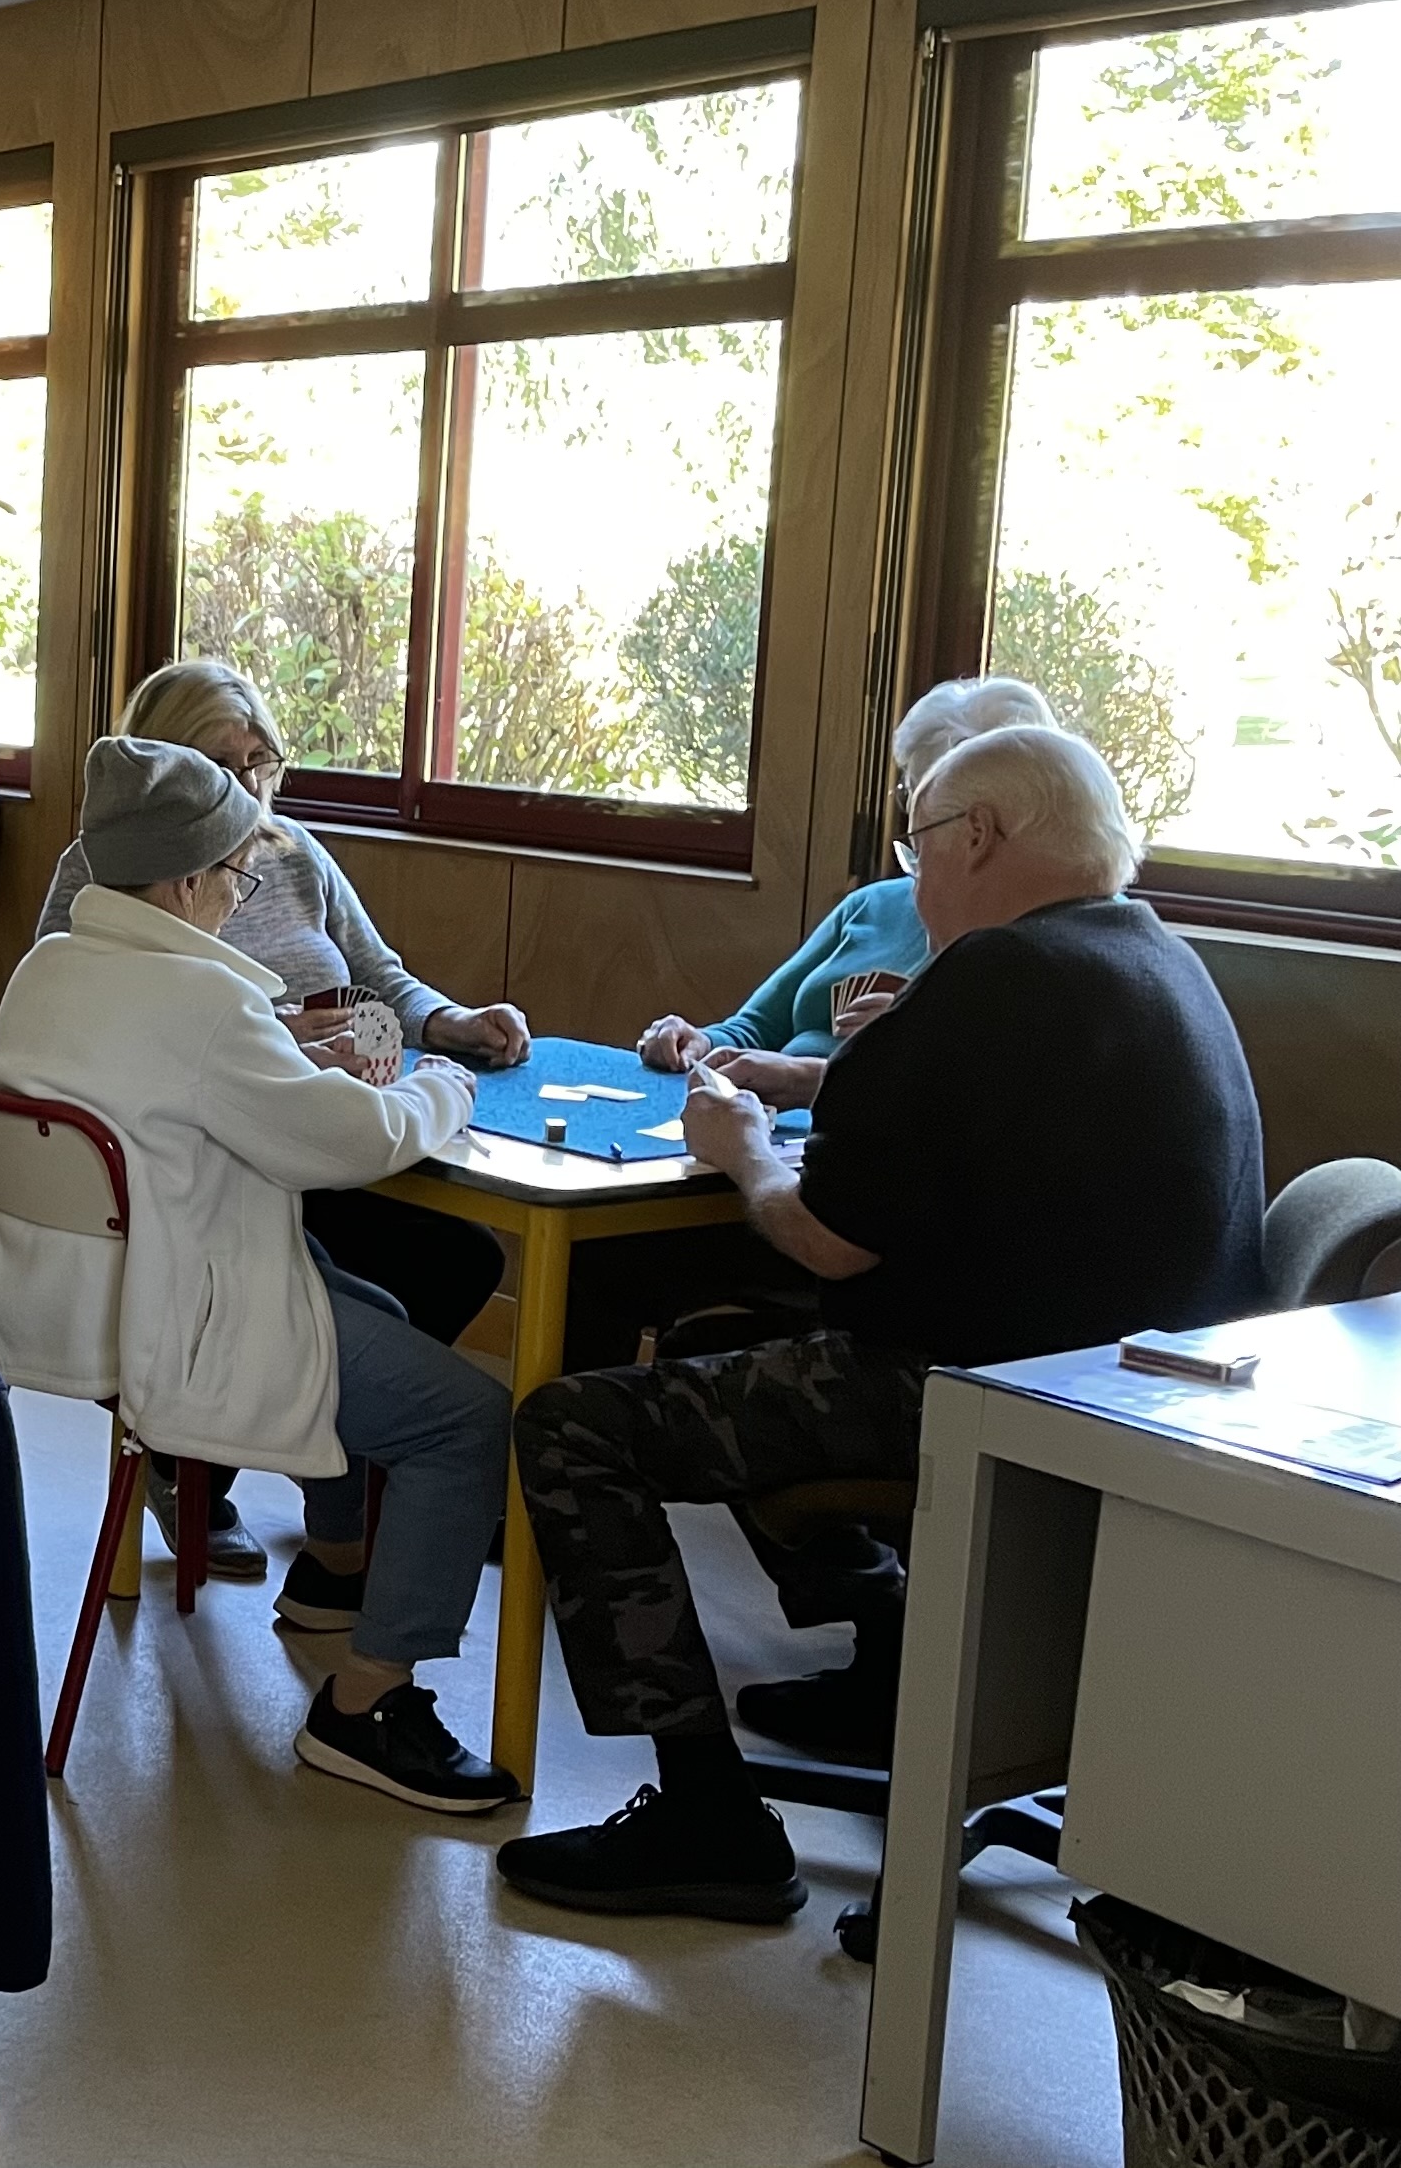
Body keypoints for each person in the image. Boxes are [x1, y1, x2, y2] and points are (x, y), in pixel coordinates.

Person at [499, 728, 1266, 1922]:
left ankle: (707, 1816)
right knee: (710, 1354)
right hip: (1127, 1399)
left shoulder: (997, 976)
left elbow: (828, 1242)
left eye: (918, 845)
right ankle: (888, 1656)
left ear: (980, 837)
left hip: (983, 1396)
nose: (914, 879)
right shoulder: (1158, 955)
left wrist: (744, 1153)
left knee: (570, 1425)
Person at [0, 738, 521, 1813]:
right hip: (184, 1321)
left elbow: (179, 1088)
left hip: (74, 1310)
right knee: (466, 1419)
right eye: (236, 876)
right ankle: (367, 1704)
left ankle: (335, 1568)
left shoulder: (49, 971)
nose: (239, 896)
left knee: (372, 1306)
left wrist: (290, 1061)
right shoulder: (206, 1004)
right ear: (187, 881)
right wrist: (445, 1087)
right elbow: (358, 1143)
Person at [41, 661, 520, 1572]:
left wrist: (449, 1023)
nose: (249, 786)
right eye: (221, 765)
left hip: (278, 1137)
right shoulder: (115, 884)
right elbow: (122, 1027)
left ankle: (339, 1485)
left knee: (455, 1259)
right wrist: (293, 1041)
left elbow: (379, 978)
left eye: (259, 760)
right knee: (392, 1318)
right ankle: (251, 1466)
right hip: (224, 1172)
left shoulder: (295, 854)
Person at [636, 676, 1058, 1105]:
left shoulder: (1038, 951)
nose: (915, 828)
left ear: (980, 829)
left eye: (929, 805)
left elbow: (980, 1103)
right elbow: (753, 1028)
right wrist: (697, 1041)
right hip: (761, 1119)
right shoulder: (872, 905)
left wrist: (882, 1056)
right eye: (912, 793)